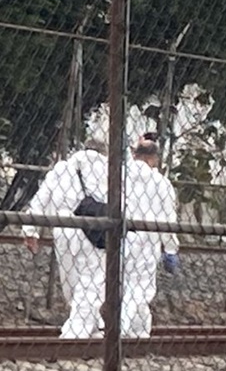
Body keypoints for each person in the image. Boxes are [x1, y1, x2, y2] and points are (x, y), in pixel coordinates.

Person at [22, 138, 109, 339]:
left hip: (62, 228)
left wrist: (30, 230)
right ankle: (75, 332)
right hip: (92, 227)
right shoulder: (107, 169)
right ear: (103, 152)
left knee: (72, 281)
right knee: (92, 281)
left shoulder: (62, 169)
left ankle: (92, 326)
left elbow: (40, 199)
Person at [121, 136, 180, 338]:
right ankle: (124, 329)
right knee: (141, 288)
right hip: (147, 241)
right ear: (154, 159)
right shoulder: (161, 183)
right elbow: (168, 219)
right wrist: (170, 248)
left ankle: (139, 331)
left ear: (135, 155)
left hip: (119, 237)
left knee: (121, 285)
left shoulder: (120, 176)